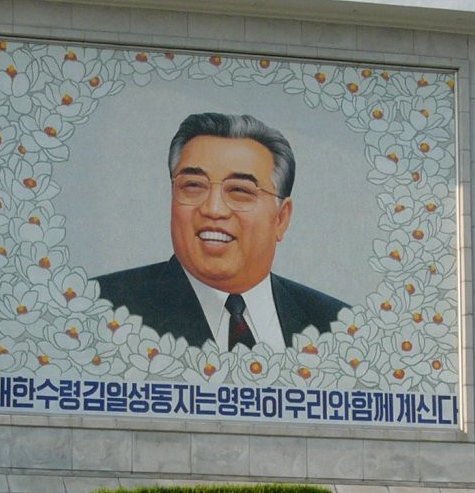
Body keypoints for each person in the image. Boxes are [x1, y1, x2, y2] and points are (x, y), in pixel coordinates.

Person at [93, 112, 348, 349]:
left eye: (240, 191)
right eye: (193, 185)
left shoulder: (337, 326)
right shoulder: (100, 307)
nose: (213, 209)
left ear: (281, 218)